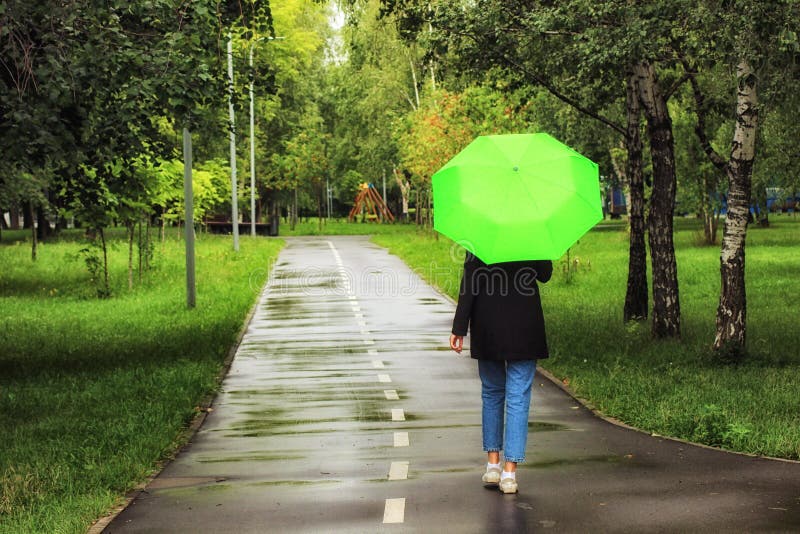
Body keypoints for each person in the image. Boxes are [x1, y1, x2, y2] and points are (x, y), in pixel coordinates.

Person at [449, 251, 553, 494]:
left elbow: (471, 278)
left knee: (492, 393)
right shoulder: (532, 229)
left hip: (488, 323)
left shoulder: (481, 227)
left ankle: (493, 465)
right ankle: (509, 473)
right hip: (525, 325)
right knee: (518, 397)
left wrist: (459, 327)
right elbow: (545, 275)